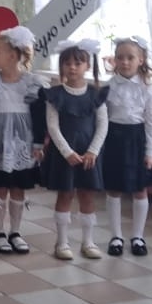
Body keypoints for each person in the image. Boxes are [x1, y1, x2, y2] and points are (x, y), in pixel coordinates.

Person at [0, 26, 48, 254]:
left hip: (23, 144)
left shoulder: (32, 83)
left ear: (13, 56)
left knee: (19, 187)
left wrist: (38, 144)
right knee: (0, 186)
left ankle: (15, 232)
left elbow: (39, 117)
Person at [42, 40, 109, 260]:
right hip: (65, 154)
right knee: (65, 194)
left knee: (87, 195)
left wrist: (93, 151)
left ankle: (88, 242)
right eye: (67, 63)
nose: (72, 67)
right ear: (61, 65)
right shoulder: (54, 95)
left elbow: (102, 125)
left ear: (87, 66)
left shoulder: (96, 95)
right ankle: (62, 243)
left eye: (78, 63)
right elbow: (53, 127)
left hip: (89, 154)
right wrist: (67, 152)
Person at [103, 36, 152, 256]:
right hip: (113, 139)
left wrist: (151, 152)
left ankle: (138, 236)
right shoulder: (109, 86)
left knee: (140, 189)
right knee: (114, 188)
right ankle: (116, 236)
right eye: (120, 57)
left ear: (141, 60)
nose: (125, 62)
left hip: (138, 140)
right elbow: (102, 118)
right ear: (114, 60)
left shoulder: (146, 87)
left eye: (130, 57)